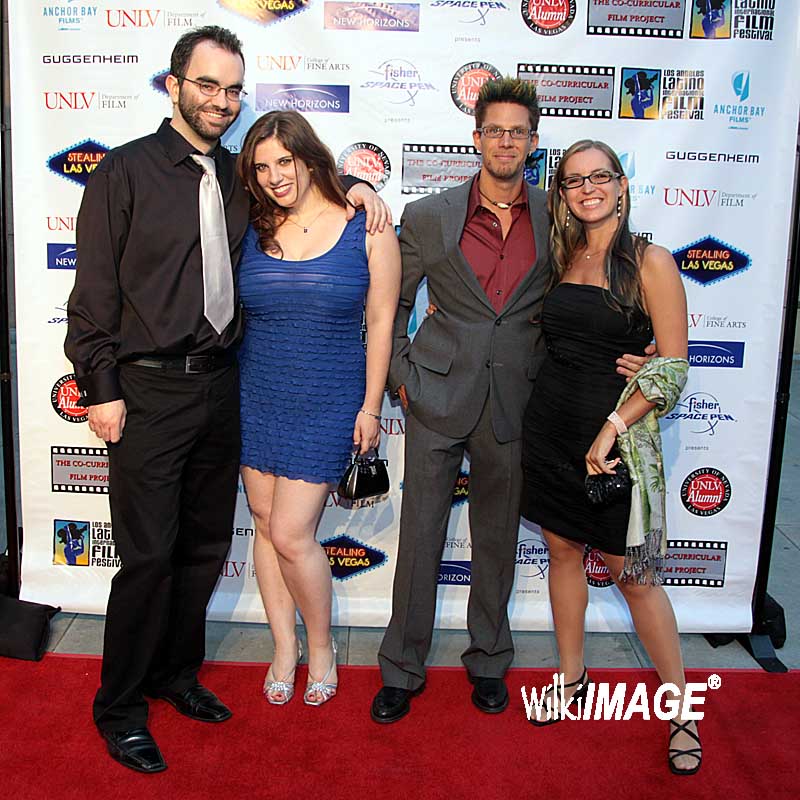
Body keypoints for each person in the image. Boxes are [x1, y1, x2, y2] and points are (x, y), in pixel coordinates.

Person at [65, 26, 387, 774]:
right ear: (174, 84)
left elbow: (302, 180)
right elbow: (93, 293)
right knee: (148, 556)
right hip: (145, 389)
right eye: (207, 84)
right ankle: (121, 707)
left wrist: (359, 184)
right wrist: (101, 389)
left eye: (233, 89)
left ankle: (177, 676)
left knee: (204, 547)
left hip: (224, 385)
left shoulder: (240, 179)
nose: (221, 100)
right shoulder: (124, 171)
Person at [372, 77, 650, 723]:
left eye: (517, 132)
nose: (505, 141)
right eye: (495, 130)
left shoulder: (560, 215)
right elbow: (391, 305)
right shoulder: (430, 215)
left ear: (533, 142)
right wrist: (402, 380)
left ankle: (490, 660)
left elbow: (602, 284)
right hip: (436, 395)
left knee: (497, 540)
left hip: (521, 401)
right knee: (420, 539)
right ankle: (401, 668)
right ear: (476, 138)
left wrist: (644, 350)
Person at [520, 140, 699, 775]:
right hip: (550, 429)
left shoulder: (650, 260)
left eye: (600, 176)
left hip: (615, 441)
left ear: (622, 184)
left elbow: (673, 368)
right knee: (562, 552)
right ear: (562, 194)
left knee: (636, 579)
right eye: (574, 180)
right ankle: (572, 678)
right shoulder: (563, 255)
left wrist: (613, 425)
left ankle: (682, 711)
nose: (588, 188)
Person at [235, 110, 400, 707]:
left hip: (329, 398)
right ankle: (285, 648)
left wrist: (371, 407)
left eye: (285, 161)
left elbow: (381, 322)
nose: (275, 176)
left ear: (309, 158)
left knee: (290, 532)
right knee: (264, 524)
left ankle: (322, 648)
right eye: (262, 167)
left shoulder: (367, 226)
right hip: (256, 393)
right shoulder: (250, 224)